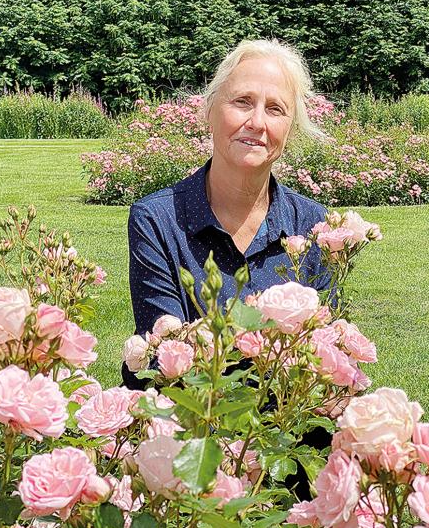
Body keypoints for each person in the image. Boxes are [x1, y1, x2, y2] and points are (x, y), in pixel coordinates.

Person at [124, 39, 332, 389]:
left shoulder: (313, 225)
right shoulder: (157, 220)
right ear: (210, 110)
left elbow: (322, 353)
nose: (257, 122)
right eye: (242, 102)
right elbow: (163, 359)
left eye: (275, 109)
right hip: (187, 415)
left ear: (291, 130)